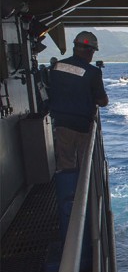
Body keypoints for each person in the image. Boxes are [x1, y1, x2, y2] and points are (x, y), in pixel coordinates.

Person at [48, 31, 108, 171]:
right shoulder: (93, 72)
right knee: (85, 165)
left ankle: (68, 190)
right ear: (90, 51)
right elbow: (102, 101)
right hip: (82, 125)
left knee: (65, 163)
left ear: (75, 47)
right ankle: (84, 190)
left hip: (61, 123)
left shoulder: (56, 67)